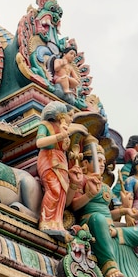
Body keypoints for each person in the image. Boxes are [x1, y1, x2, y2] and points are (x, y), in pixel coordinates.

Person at [70, 141, 138, 277]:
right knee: (99, 219)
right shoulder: (82, 179)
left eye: (104, 161)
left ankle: (115, 234)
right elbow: (73, 205)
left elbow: (109, 213)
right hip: (92, 222)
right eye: (98, 161)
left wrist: (125, 211)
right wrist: (90, 194)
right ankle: (109, 266)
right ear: (85, 162)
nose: (102, 164)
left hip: (110, 227)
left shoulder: (104, 186)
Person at [35, 100, 86, 240]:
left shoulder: (64, 129)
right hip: (48, 160)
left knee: (62, 194)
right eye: (70, 115)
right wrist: (60, 135)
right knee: (54, 190)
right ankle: (45, 222)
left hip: (61, 163)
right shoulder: (45, 125)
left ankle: (57, 224)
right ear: (61, 114)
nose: (71, 119)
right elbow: (39, 143)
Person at [112, 135, 138, 205]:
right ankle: (113, 196)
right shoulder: (131, 150)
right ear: (136, 144)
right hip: (128, 169)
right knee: (120, 185)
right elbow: (136, 160)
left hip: (131, 171)